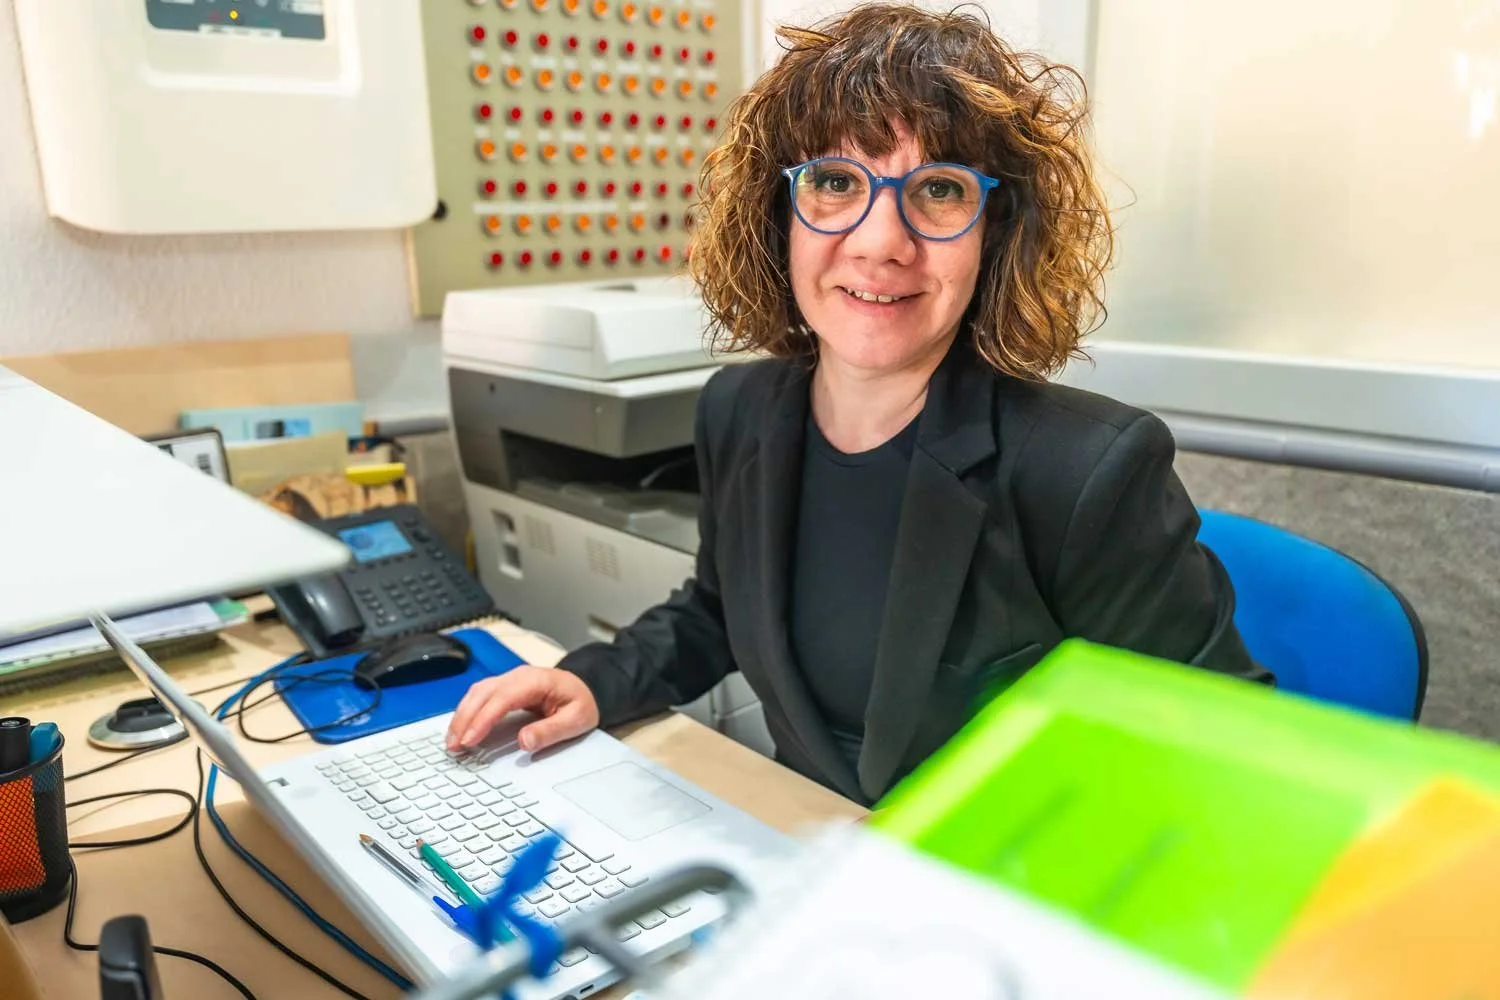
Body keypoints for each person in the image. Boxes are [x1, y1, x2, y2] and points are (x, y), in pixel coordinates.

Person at [448, 2, 1270, 805]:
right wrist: (589, 682)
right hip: (805, 859)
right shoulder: (739, 409)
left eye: (940, 190)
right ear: (779, 217)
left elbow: (1224, 755)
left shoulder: (1086, 469)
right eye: (836, 181)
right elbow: (717, 611)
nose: (881, 241)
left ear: (997, 234)